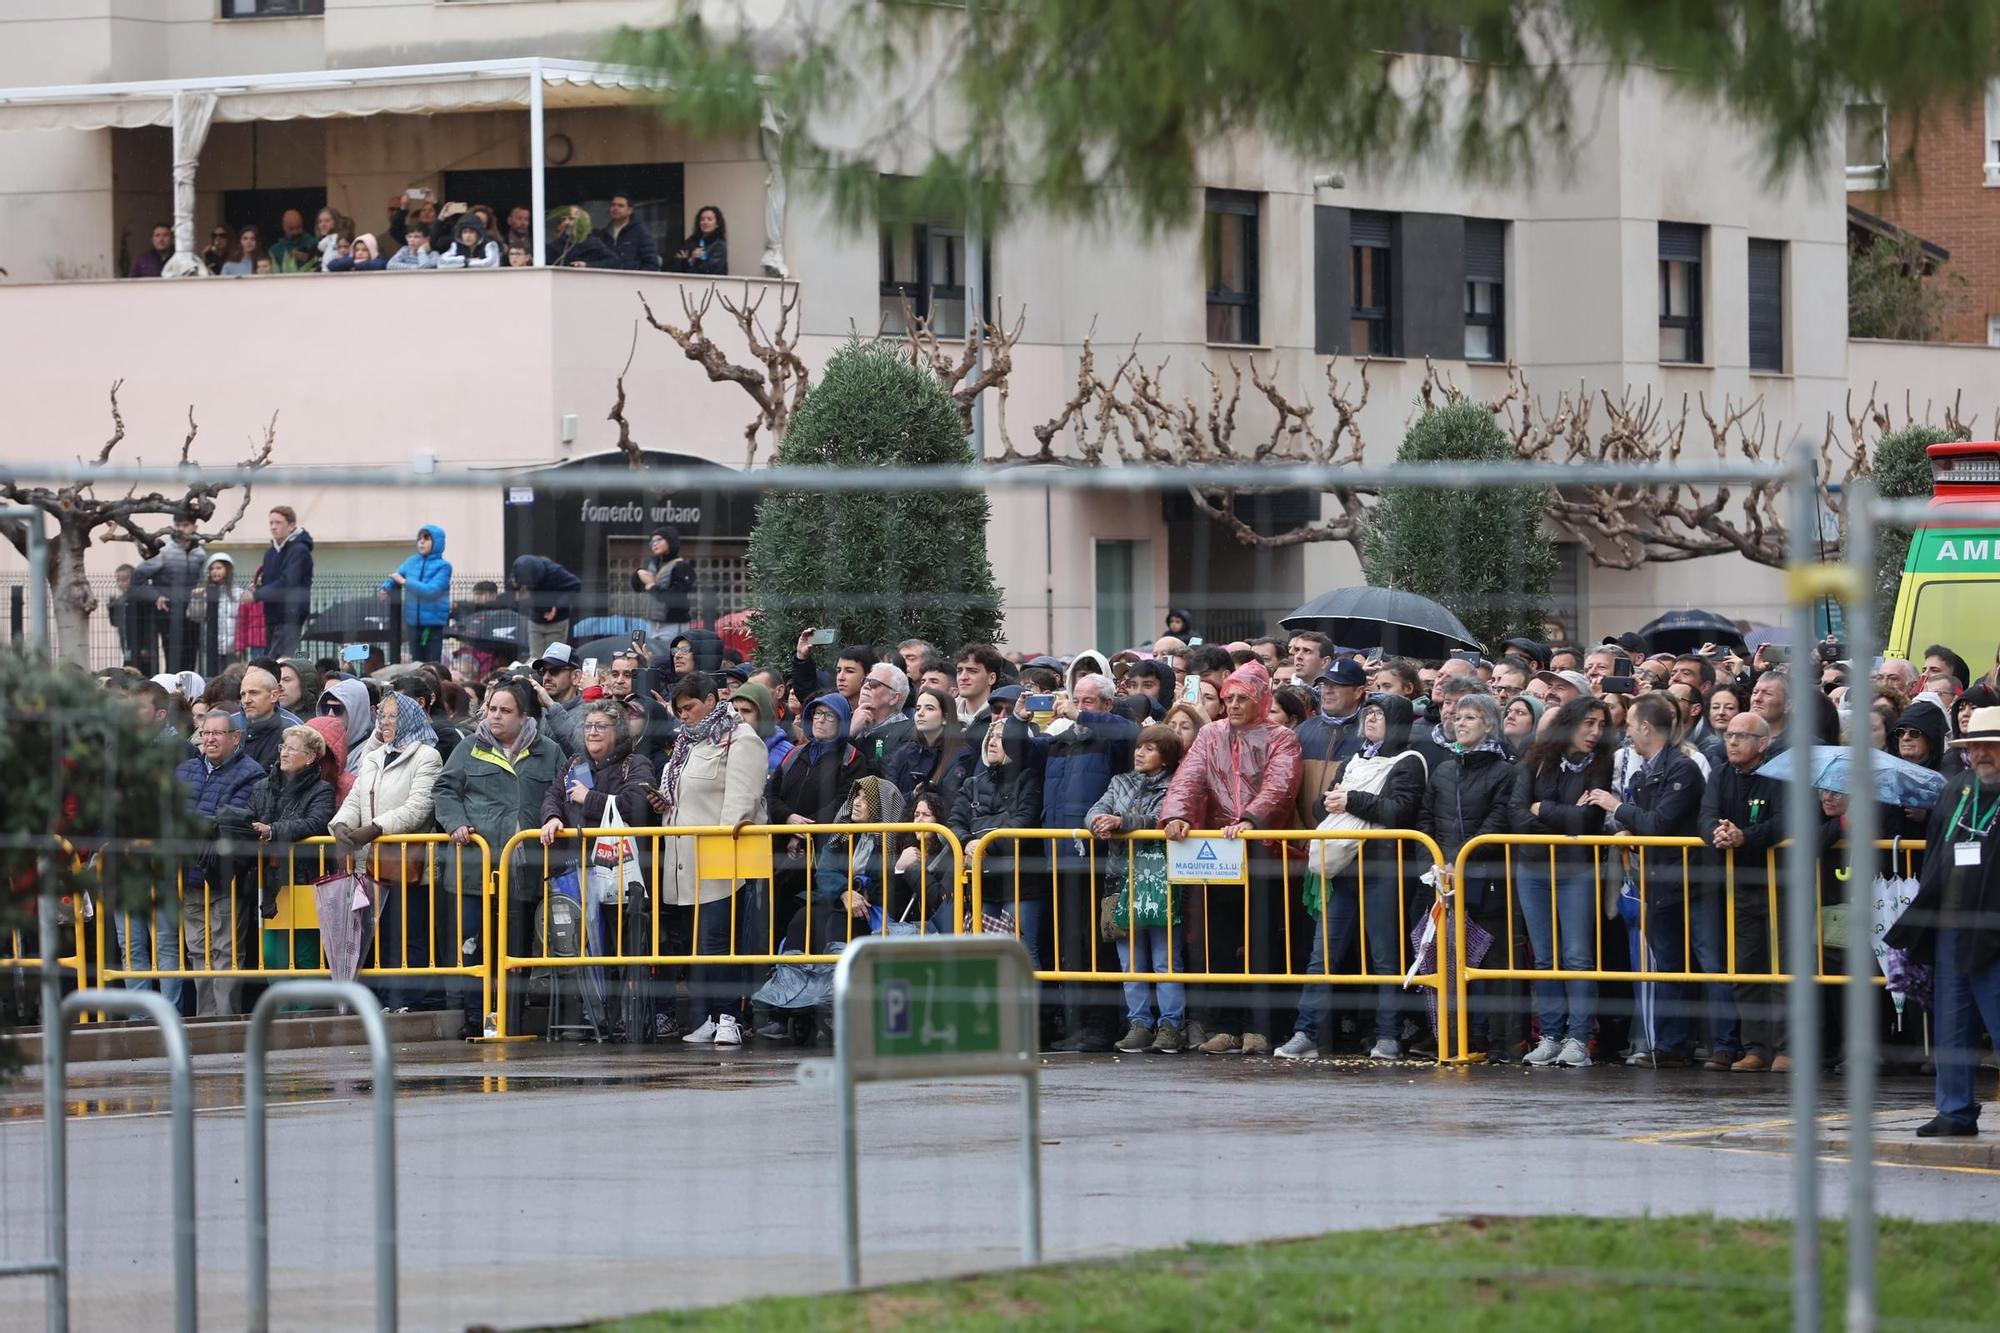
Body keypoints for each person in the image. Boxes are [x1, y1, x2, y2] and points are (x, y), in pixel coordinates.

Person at [1159, 661, 1302, 1056]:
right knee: (1218, 940)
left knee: (1262, 941)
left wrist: (1253, 820)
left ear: (1261, 699)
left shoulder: (1282, 738)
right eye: (1229, 698)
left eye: (1243, 698)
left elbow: (1281, 784)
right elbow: (1188, 778)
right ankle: (1224, 1025)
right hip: (1218, 848)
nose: (1235, 704)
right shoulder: (1210, 734)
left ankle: (1259, 1027)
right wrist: (1176, 815)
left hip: (1262, 848)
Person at [1276, 693, 1428, 1062]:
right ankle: (1305, 1032)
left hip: (1383, 869)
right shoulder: (1354, 759)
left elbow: (1400, 811)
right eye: (1370, 713)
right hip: (1343, 867)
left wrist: (1351, 800)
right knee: (1322, 955)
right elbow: (1321, 807)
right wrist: (1328, 801)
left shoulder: (1409, 761)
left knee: (1385, 957)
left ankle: (1389, 1036)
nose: (1372, 719)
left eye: (1381, 714)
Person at [1886, 703, 2000, 1137]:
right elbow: (1935, 857)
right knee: (1952, 1025)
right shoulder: (1956, 790)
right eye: (1976, 747)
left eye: (1991, 746)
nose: (1982, 754)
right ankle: (1954, 1111)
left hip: (1993, 928)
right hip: (1952, 926)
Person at [432, 675, 563, 1030]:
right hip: (475, 869)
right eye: (491, 709)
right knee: (474, 947)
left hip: (524, 873)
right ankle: (477, 1019)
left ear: (524, 716)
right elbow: (444, 790)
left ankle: (511, 1019)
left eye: (505, 711)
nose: (495, 716)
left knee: (516, 951)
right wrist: (455, 822)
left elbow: (559, 794)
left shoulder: (548, 751)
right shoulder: (468, 747)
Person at [1584, 691, 1707, 1067]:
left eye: (1631, 726)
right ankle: (1669, 1044)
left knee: (1698, 962)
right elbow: (1644, 821)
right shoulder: (1646, 768)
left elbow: (1660, 823)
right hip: (1654, 878)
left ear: (1646, 726)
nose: (1627, 734)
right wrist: (1628, 830)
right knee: (1666, 964)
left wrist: (1615, 806)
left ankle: (1715, 1043)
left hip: (1685, 878)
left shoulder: (1682, 767)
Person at [650, 675, 767, 1045]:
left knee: (719, 943)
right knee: (698, 945)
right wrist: (663, 804)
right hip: (683, 860)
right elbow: (686, 797)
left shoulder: (740, 738)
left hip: (722, 857)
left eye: (690, 707)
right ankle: (714, 1017)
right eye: (679, 709)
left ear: (713, 699)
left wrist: (723, 850)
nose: (683, 716)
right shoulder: (687, 743)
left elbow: (740, 802)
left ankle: (731, 1017)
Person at [1507, 695, 1614, 1068]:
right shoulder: (1537, 759)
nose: (1595, 732)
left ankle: (1579, 1037)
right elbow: (1517, 814)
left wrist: (1544, 809)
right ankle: (1550, 1035)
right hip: (1533, 868)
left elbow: (1587, 822)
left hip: (1577, 870)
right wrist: (1561, 817)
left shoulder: (1601, 763)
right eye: (1588, 723)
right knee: (1546, 956)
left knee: (1578, 957)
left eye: (1601, 725)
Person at [1039, 671, 1139, 1052]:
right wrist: (1017, 721)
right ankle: (1078, 1024)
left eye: (1089, 702)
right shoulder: (1060, 742)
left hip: (1098, 856)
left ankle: (1101, 1027)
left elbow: (1128, 732)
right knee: (1071, 944)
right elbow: (1019, 753)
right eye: (1075, 700)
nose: (1079, 708)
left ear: (1107, 704)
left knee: (1097, 943)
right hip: (1059, 855)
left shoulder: (1114, 734)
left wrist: (1081, 716)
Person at [1418, 691, 1517, 1057]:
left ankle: (1500, 1040)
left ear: (1490, 724)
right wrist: (1432, 861)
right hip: (1441, 878)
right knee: (1447, 960)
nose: (1460, 723)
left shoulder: (1504, 771)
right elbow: (1425, 819)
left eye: (1471, 717)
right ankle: (1454, 1037)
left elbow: (1498, 819)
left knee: (1490, 961)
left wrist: (1459, 859)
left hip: (1484, 876)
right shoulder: (1444, 769)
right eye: (1458, 717)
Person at [330, 693, 443, 1010]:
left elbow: (420, 807)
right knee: (378, 935)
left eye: (392, 716)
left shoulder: (427, 757)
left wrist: (376, 827)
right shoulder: (374, 756)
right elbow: (355, 800)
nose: (384, 722)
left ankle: (409, 1000)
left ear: (408, 718)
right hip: (372, 865)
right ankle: (381, 998)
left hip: (410, 864)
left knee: (411, 933)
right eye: (382, 716)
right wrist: (340, 825)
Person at [1698, 711, 1787, 1071]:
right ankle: (1756, 1048)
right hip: (1739, 885)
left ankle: (1788, 1047)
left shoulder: (1782, 775)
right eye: (1729, 735)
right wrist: (1717, 835)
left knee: (1784, 970)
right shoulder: (1720, 774)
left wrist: (1744, 837)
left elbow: (1785, 821)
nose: (1731, 741)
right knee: (1745, 968)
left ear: (1763, 743)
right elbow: (1706, 816)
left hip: (1781, 884)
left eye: (1741, 736)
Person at [1090, 725, 1187, 1054]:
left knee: (1164, 959)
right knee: (1130, 960)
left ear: (1167, 757)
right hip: (1120, 877)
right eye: (1139, 746)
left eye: (1150, 748)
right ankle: (1139, 1023)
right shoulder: (1119, 781)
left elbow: (1162, 818)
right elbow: (1095, 810)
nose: (1140, 753)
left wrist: (1122, 821)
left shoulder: (1176, 784)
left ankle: (1171, 1025)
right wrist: (1099, 822)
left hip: (1159, 880)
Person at [173, 712, 265, 1015]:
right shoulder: (185, 770)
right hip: (190, 875)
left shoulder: (250, 773)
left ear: (235, 738)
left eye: (217, 733)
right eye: (205, 733)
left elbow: (232, 820)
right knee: (197, 949)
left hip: (226, 878)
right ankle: (204, 1021)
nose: (209, 739)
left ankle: (225, 1023)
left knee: (225, 951)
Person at [218, 723, 336, 922]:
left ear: (310, 757)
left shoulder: (322, 790)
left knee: (303, 948)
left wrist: (272, 830)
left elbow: (315, 823)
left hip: (304, 878)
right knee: (271, 950)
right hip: (265, 878)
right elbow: (250, 817)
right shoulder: (261, 786)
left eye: (292, 748)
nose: (284, 753)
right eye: (283, 747)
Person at [134, 518, 207, 674]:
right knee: (173, 659)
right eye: (178, 525)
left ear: (195, 527)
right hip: (168, 613)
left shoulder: (200, 554)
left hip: (192, 613)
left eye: (185, 525)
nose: (181, 529)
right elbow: (137, 578)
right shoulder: (164, 551)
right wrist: (155, 597)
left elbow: (204, 580)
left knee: (191, 658)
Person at [884, 686, 972, 807]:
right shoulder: (903, 753)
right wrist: (913, 795)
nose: (920, 713)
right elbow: (887, 797)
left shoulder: (961, 755)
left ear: (945, 718)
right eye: (918, 708)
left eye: (929, 708)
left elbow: (951, 799)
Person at [379, 525, 453, 664]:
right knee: (416, 662)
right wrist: (385, 588)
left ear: (437, 542)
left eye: (426, 538)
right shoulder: (411, 561)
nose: (421, 542)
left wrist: (405, 582)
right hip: (413, 623)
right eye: (419, 538)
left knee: (432, 663)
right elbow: (395, 576)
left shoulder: (443, 566)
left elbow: (432, 591)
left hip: (433, 625)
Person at [252, 506, 314, 660]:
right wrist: (259, 586)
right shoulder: (270, 552)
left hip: (290, 615)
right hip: (272, 614)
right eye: (271, 522)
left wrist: (256, 595)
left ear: (291, 525)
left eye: (278, 522)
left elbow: (288, 582)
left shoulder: (299, 550)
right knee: (272, 659)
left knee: (278, 660)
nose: (273, 527)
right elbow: (272, 581)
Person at [183, 553, 248, 676]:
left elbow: (244, 621)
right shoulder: (205, 593)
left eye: (218, 568)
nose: (214, 571)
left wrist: (241, 644)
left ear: (227, 569)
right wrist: (197, 599)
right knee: (213, 678)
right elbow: (195, 616)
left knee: (234, 677)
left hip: (234, 647)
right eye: (212, 569)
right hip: (212, 646)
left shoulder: (239, 593)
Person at [509, 554, 582, 658]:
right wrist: (515, 585)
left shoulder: (555, 572)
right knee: (535, 658)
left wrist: (557, 606)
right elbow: (513, 583)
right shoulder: (519, 570)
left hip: (557, 621)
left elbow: (576, 585)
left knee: (554, 658)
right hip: (535, 619)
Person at [851, 663, 915, 773]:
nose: (866, 686)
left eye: (874, 683)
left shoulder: (909, 731)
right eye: (865, 681)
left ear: (894, 698)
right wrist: (850, 733)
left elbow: (881, 773)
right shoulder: (849, 722)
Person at [632, 526, 694, 638]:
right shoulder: (652, 565)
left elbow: (676, 597)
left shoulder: (682, 567)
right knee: (651, 655)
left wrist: (652, 587)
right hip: (652, 624)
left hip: (673, 624)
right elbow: (637, 588)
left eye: (659, 540)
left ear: (670, 541)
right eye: (652, 542)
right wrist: (638, 574)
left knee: (672, 654)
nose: (654, 544)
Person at [234, 666, 297, 770]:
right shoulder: (229, 725)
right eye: (243, 694)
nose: (246, 700)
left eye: (254, 693)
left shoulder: (292, 730)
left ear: (274, 696)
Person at [730, 680, 794, 773]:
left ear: (763, 715)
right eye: (735, 710)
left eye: (746, 711)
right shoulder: (723, 748)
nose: (738, 716)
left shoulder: (787, 757)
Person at [318, 678, 375, 774]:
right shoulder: (318, 744)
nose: (330, 714)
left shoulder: (369, 752)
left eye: (338, 709)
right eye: (325, 708)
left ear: (356, 712)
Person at [603, 192, 660, 271]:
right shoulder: (604, 233)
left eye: (620, 206)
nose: (615, 208)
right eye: (613, 205)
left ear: (630, 210)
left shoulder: (641, 233)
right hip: (606, 280)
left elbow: (651, 263)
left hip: (632, 281)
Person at [669, 204, 728, 274]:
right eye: (702, 219)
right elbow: (674, 267)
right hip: (686, 283)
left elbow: (708, 271)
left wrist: (687, 264)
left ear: (717, 224)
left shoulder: (719, 245)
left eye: (709, 219)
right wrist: (691, 260)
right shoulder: (691, 241)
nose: (705, 222)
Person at [436, 213, 501, 269]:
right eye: (465, 232)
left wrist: (458, 263)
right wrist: (466, 261)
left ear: (478, 233)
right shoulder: (456, 245)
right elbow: (441, 262)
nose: (468, 236)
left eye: (471, 232)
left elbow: (492, 263)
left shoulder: (490, 244)